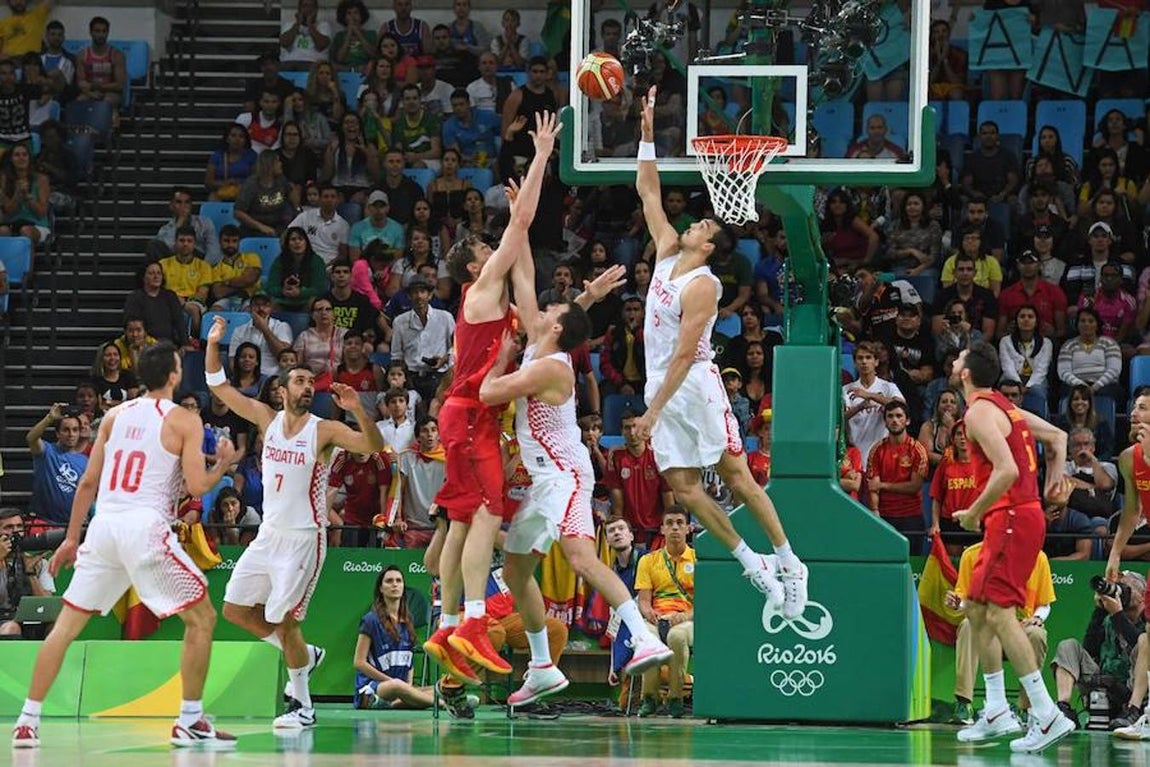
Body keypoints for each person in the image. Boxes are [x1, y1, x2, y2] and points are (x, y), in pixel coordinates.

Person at [632, 86, 807, 618]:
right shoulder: (665, 253)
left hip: (693, 386)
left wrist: (651, 412)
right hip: (660, 385)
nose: (693, 223)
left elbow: (685, 356)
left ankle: (789, 561)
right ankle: (749, 562)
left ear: (709, 247)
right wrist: (645, 137)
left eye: (704, 226)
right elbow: (647, 194)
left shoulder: (704, 285)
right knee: (683, 489)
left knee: (735, 475)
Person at [11, 343, 238, 750]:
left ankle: (27, 720)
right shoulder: (184, 419)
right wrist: (222, 463)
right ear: (173, 376)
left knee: (64, 628)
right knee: (202, 618)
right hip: (144, 526)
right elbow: (198, 487)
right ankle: (190, 720)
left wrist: (71, 538)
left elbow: (87, 483)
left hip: (104, 527)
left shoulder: (114, 416)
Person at [477, 264, 673, 706]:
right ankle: (543, 666)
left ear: (556, 325)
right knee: (514, 570)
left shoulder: (547, 368)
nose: (541, 310)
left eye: (551, 310)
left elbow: (489, 393)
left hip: (563, 474)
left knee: (582, 559)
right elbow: (546, 301)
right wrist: (589, 296)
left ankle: (643, 638)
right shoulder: (551, 348)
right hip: (549, 478)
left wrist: (499, 357)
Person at [421, 112, 560, 684]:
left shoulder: (488, 303)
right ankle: (475, 621)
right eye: (489, 246)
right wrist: (543, 157)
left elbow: (521, 241)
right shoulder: (481, 288)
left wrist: (518, 232)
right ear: (476, 265)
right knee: (485, 514)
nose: (495, 247)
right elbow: (522, 219)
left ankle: (447, 624)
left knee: (458, 524)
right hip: (474, 417)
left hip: (465, 415)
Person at [204, 314, 386, 729]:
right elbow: (218, 386)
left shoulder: (325, 430)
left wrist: (358, 408)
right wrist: (215, 342)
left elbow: (373, 446)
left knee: (284, 621)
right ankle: (306, 656)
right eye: (299, 381)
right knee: (234, 608)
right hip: (269, 535)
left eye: (310, 381)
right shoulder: (265, 419)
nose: (307, 387)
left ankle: (303, 705)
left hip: (305, 538)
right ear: (281, 390)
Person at [950, 341, 1074, 752]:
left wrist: (972, 513)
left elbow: (1004, 471)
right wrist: (1055, 477)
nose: (953, 361)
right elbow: (1058, 436)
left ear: (966, 372)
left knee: (1000, 613)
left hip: (1012, 518)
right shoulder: (1006, 407)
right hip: (1015, 517)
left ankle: (1046, 713)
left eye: (959, 357)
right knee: (976, 607)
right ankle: (998, 709)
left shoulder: (980, 412)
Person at [1104, 391, 1150, 738]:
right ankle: (1141, 713)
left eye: (1144, 408)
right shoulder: (1127, 458)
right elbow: (1133, 510)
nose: (1134, 412)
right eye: (1134, 406)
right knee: (1148, 640)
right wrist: (1116, 552)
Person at [353, 565, 435, 709]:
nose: (395, 584)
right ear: (381, 588)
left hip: (399, 688)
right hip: (372, 688)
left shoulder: (408, 619)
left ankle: (397, 702)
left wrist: (408, 686)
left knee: (435, 689)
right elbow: (359, 662)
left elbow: (409, 661)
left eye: (399, 581)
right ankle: (441, 704)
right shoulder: (370, 620)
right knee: (398, 686)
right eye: (389, 581)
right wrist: (392, 682)